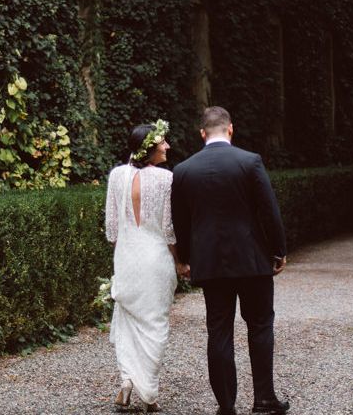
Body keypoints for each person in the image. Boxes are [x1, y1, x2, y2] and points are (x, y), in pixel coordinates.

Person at [171, 106, 290, 415]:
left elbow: (180, 222)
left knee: (219, 330)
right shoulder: (249, 162)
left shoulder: (184, 170)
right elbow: (269, 210)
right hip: (251, 260)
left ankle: (226, 405)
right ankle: (264, 399)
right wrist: (279, 250)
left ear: (201, 134)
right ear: (231, 129)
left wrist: (185, 259)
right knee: (260, 325)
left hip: (210, 264)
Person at [105, 119, 180, 413]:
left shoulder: (116, 176)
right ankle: (149, 394)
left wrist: (125, 250)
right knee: (155, 323)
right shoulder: (166, 179)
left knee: (127, 320)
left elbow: (112, 230)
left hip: (126, 256)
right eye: (163, 142)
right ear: (149, 147)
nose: (167, 146)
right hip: (155, 257)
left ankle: (126, 381)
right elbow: (169, 229)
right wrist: (179, 260)